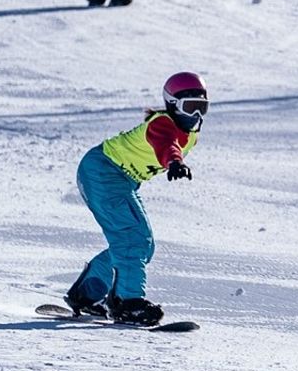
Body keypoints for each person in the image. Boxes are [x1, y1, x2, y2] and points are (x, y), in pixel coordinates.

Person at [63, 72, 208, 326]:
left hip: (118, 179)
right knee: (131, 239)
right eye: (190, 107)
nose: (195, 115)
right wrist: (174, 161)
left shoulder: (190, 133)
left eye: (201, 108)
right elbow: (166, 144)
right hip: (103, 172)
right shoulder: (162, 124)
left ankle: (87, 294)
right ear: (173, 104)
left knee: (142, 244)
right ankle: (127, 302)